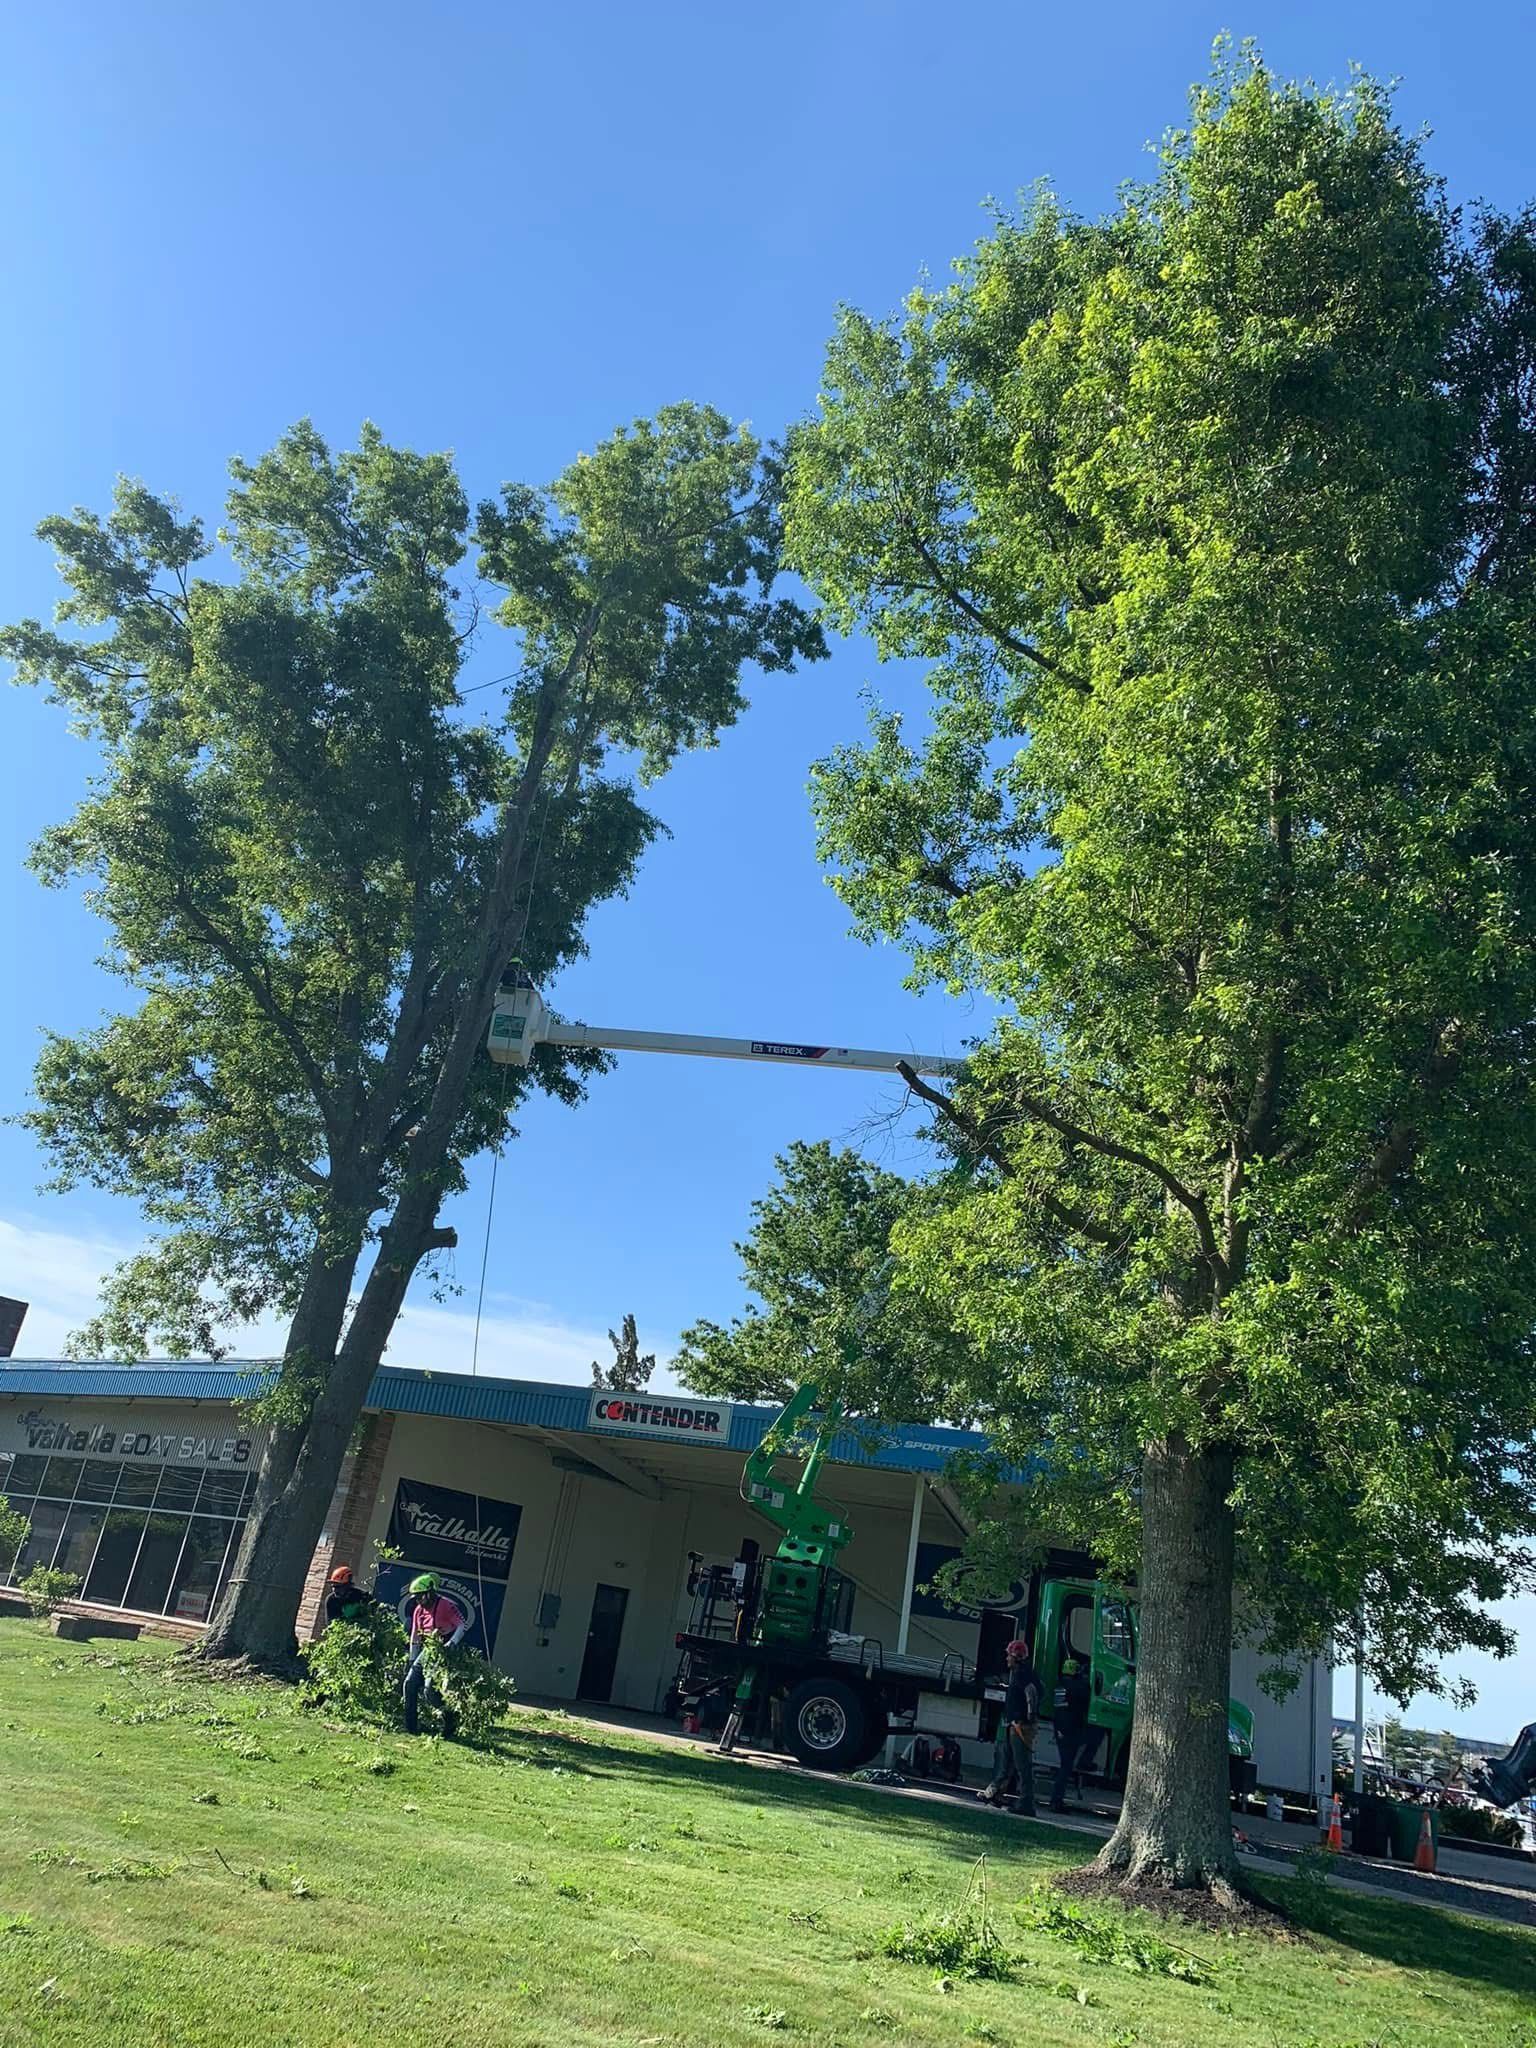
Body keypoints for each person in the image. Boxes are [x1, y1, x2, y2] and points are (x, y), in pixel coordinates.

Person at [402, 1572, 469, 1735]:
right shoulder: (418, 1609)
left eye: (420, 1597)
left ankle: (450, 1720)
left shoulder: (445, 1605)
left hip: (445, 1650)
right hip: (428, 1650)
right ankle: (411, 1727)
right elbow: (416, 1635)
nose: (418, 1601)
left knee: (429, 1690)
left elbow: (461, 1625)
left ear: (430, 1592)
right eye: (416, 1598)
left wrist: (451, 1643)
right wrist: (412, 1658)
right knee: (409, 1684)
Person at [1002, 1637, 1041, 1816]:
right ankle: (999, 1792)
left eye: (1009, 1655)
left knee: (1023, 1765)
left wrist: (1027, 1718)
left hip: (1021, 1726)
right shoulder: (1023, 1673)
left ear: (1016, 1657)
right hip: (1018, 1724)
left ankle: (1026, 1803)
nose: (1007, 1659)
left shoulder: (1022, 1674)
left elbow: (1031, 1694)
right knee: (1016, 1763)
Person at [1049, 1656, 1092, 1811]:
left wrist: (1058, 1730)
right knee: (1066, 1766)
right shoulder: (1079, 1687)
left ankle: (1057, 1799)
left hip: (1061, 1729)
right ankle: (1056, 1801)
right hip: (1071, 1730)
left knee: (1065, 1765)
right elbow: (1087, 1696)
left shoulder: (1060, 1686)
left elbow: (1059, 1710)